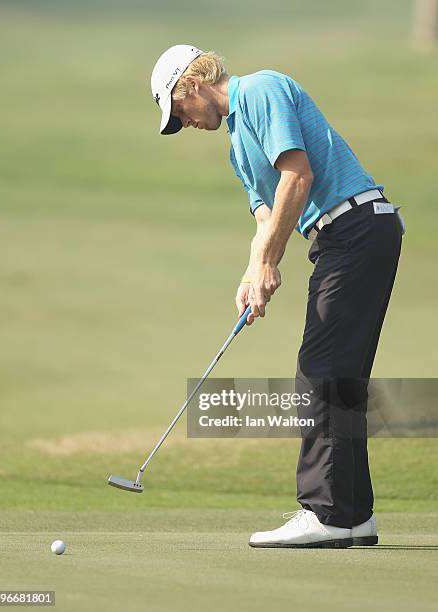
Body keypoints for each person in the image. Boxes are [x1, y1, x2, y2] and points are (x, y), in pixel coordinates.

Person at [151, 45, 404, 548]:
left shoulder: (261, 89)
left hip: (356, 226)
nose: (186, 121)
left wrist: (270, 259)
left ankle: (327, 512)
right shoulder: (236, 144)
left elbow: (298, 175)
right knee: (340, 376)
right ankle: (352, 515)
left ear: (194, 85)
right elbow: (266, 218)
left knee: (320, 371)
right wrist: (254, 271)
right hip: (342, 239)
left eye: (180, 109)